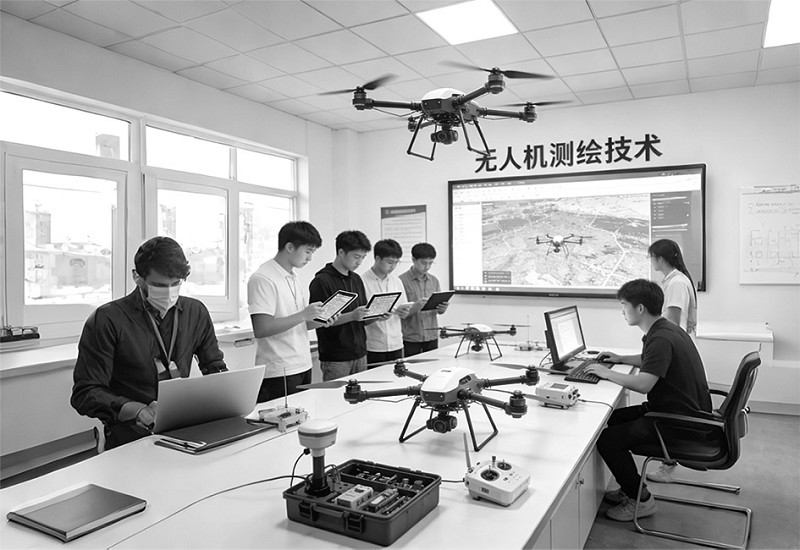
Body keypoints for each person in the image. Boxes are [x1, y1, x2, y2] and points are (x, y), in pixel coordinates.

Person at [71, 236, 227, 449]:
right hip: (131, 432)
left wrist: (226, 393)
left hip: (183, 426)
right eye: (159, 285)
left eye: (176, 284)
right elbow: (86, 392)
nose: (169, 293)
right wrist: (137, 410)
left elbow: (214, 365)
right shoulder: (107, 320)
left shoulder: (195, 311)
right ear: (137, 277)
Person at [584, 279, 712, 522]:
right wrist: (620, 358)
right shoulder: (664, 330)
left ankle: (641, 501)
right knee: (611, 419)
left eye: (624, 305)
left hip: (677, 421)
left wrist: (606, 373)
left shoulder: (660, 337)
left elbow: (644, 384)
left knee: (608, 440)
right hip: (679, 410)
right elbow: (651, 360)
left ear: (640, 308)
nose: (622, 311)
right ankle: (630, 485)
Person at [248, 221, 327, 403]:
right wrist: (303, 315)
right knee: (282, 419)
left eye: (312, 253)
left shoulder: (293, 276)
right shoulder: (263, 278)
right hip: (279, 369)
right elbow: (261, 328)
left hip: (302, 363)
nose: (310, 258)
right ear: (290, 247)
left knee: (303, 415)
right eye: (308, 252)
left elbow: (300, 323)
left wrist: (320, 320)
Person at [309, 230, 375, 381]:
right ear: (341, 252)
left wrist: (376, 315)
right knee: (336, 395)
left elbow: (361, 316)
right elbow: (319, 321)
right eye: (356, 257)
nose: (359, 262)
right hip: (336, 357)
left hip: (360, 352)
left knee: (362, 394)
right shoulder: (321, 281)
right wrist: (352, 316)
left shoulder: (356, 279)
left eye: (363, 257)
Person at [362, 239, 412, 366]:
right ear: (377, 259)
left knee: (398, 375)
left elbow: (404, 310)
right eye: (390, 262)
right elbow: (360, 316)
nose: (393, 266)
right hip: (373, 344)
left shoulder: (397, 281)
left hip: (396, 343)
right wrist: (376, 315)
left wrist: (403, 312)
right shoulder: (362, 281)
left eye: (396, 262)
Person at [399, 242, 449, 357]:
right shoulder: (401, 281)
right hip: (411, 337)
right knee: (411, 366)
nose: (427, 267)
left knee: (432, 366)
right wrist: (415, 307)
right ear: (413, 260)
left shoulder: (434, 280)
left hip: (431, 335)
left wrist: (442, 308)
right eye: (423, 263)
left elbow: (439, 311)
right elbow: (399, 314)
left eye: (430, 263)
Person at [648, 239, 697, 337]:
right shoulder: (672, 280)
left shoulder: (677, 282)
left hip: (674, 340)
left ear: (660, 259)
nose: (650, 261)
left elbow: (672, 321)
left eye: (651, 257)